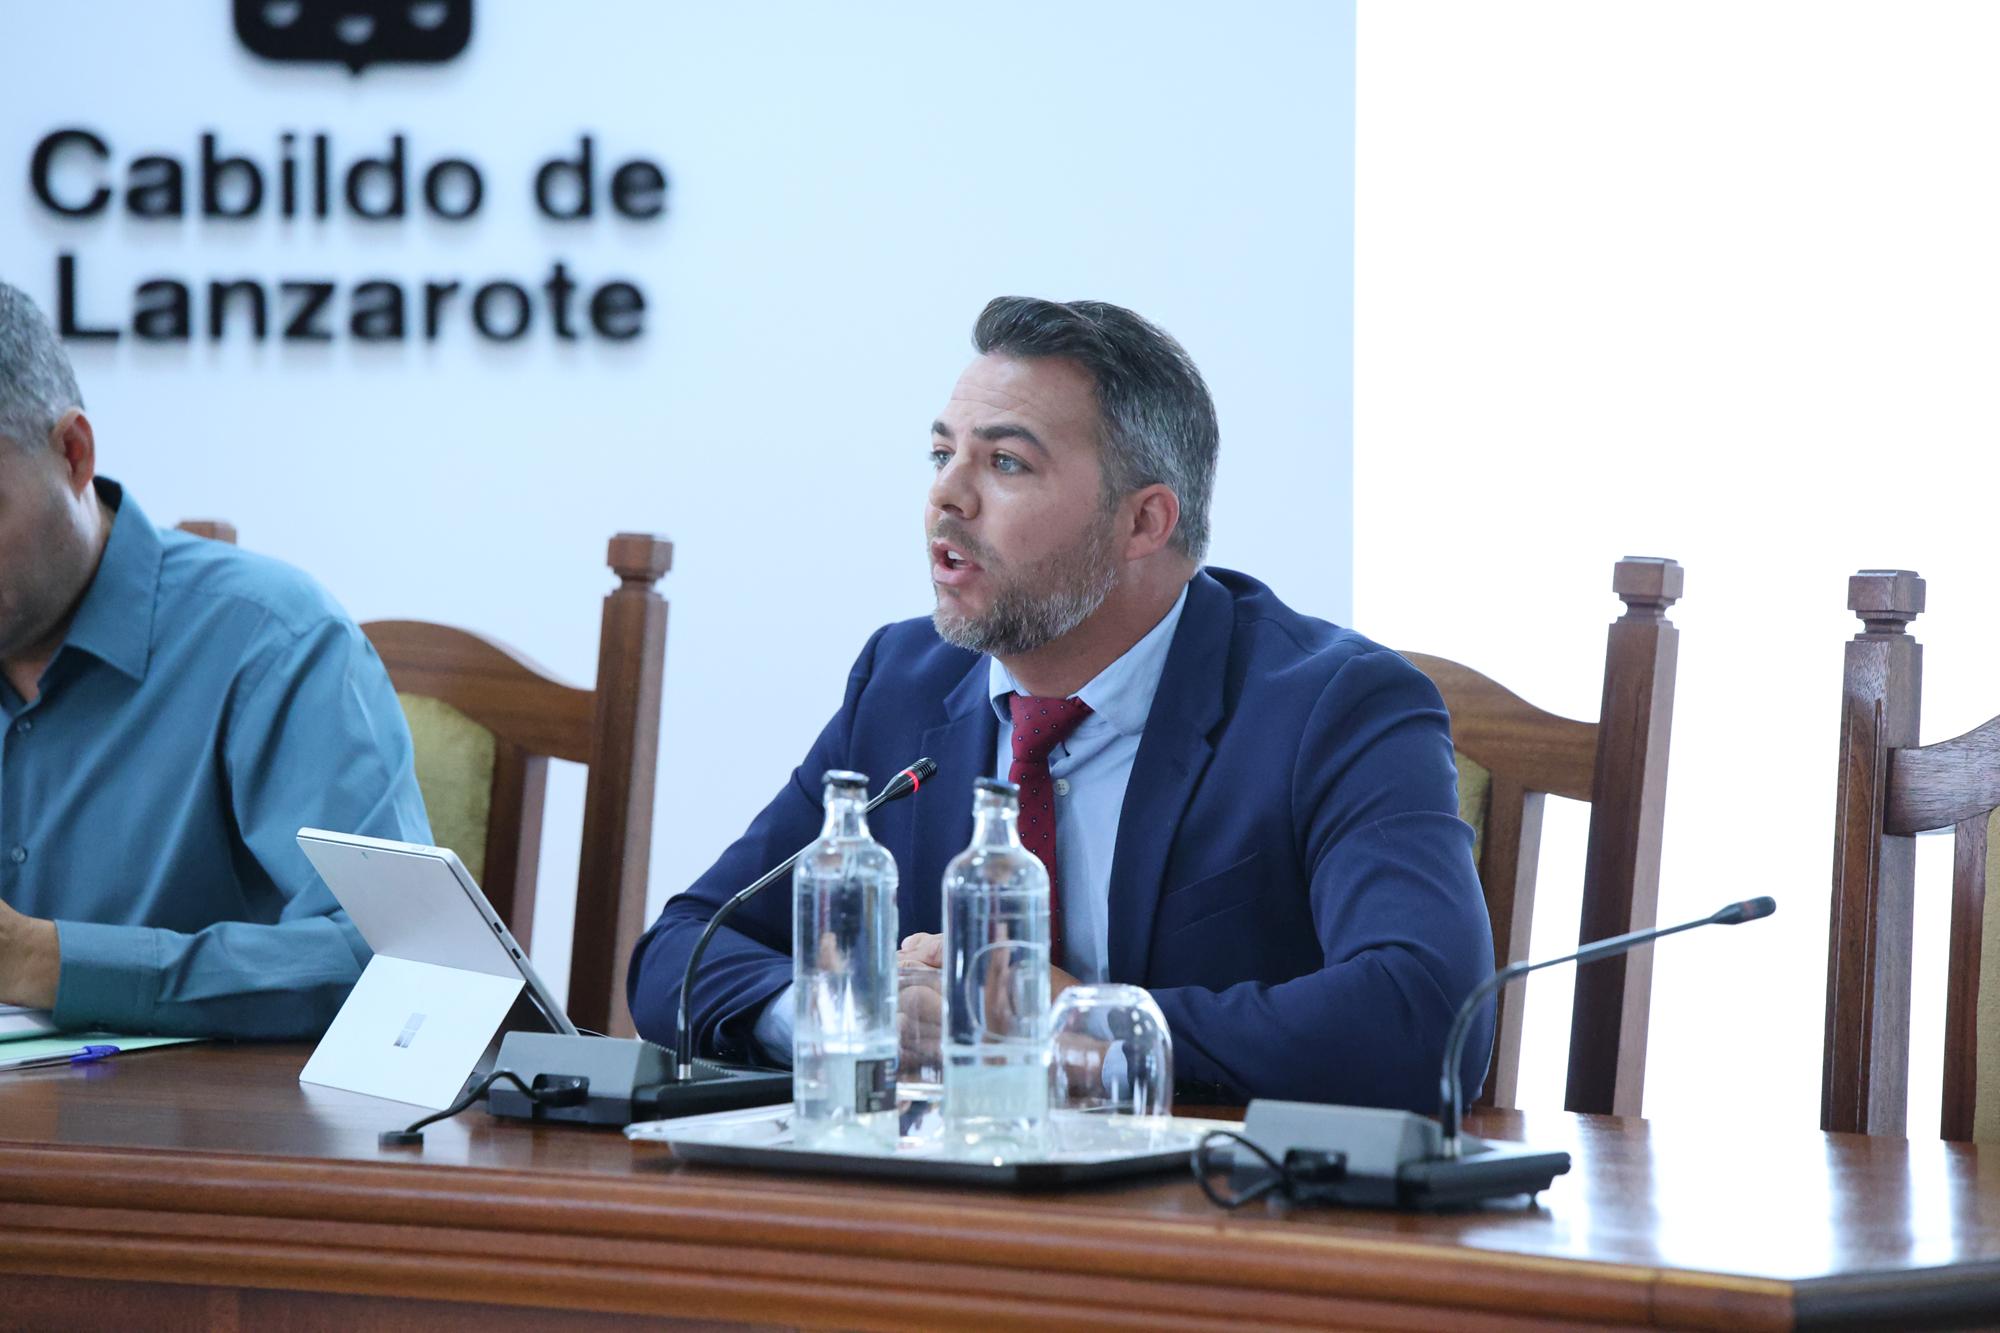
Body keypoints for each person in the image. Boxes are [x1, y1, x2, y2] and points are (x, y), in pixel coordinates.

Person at [627, 296, 1493, 1109]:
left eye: (1005, 461)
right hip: (936, 1216)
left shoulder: (1336, 708)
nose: (947, 496)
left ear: (1144, 523)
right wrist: (852, 1013)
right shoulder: (902, 679)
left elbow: (1426, 1018)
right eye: (942, 454)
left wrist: (1073, 1027)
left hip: (1214, 1228)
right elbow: (684, 948)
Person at [0, 281, 430, 1039]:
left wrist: (51, 962)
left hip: (202, 1142)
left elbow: (398, 958)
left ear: (73, 454)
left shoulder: (274, 642)